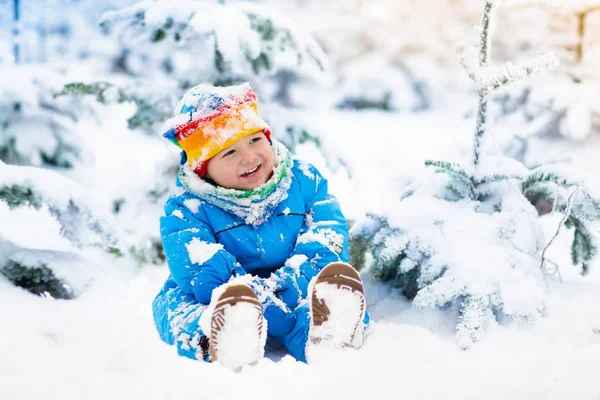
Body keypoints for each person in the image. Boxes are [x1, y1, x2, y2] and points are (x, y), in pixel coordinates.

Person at [151, 82, 369, 371]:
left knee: (327, 292)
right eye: (229, 152)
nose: (249, 156)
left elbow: (327, 232)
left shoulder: (303, 179)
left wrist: (292, 282)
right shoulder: (186, 209)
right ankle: (222, 338)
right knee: (173, 306)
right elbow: (196, 265)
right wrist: (250, 294)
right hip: (223, 292)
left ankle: (324, 331)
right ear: (204, 169)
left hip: (297, 280)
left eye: (255, 140)